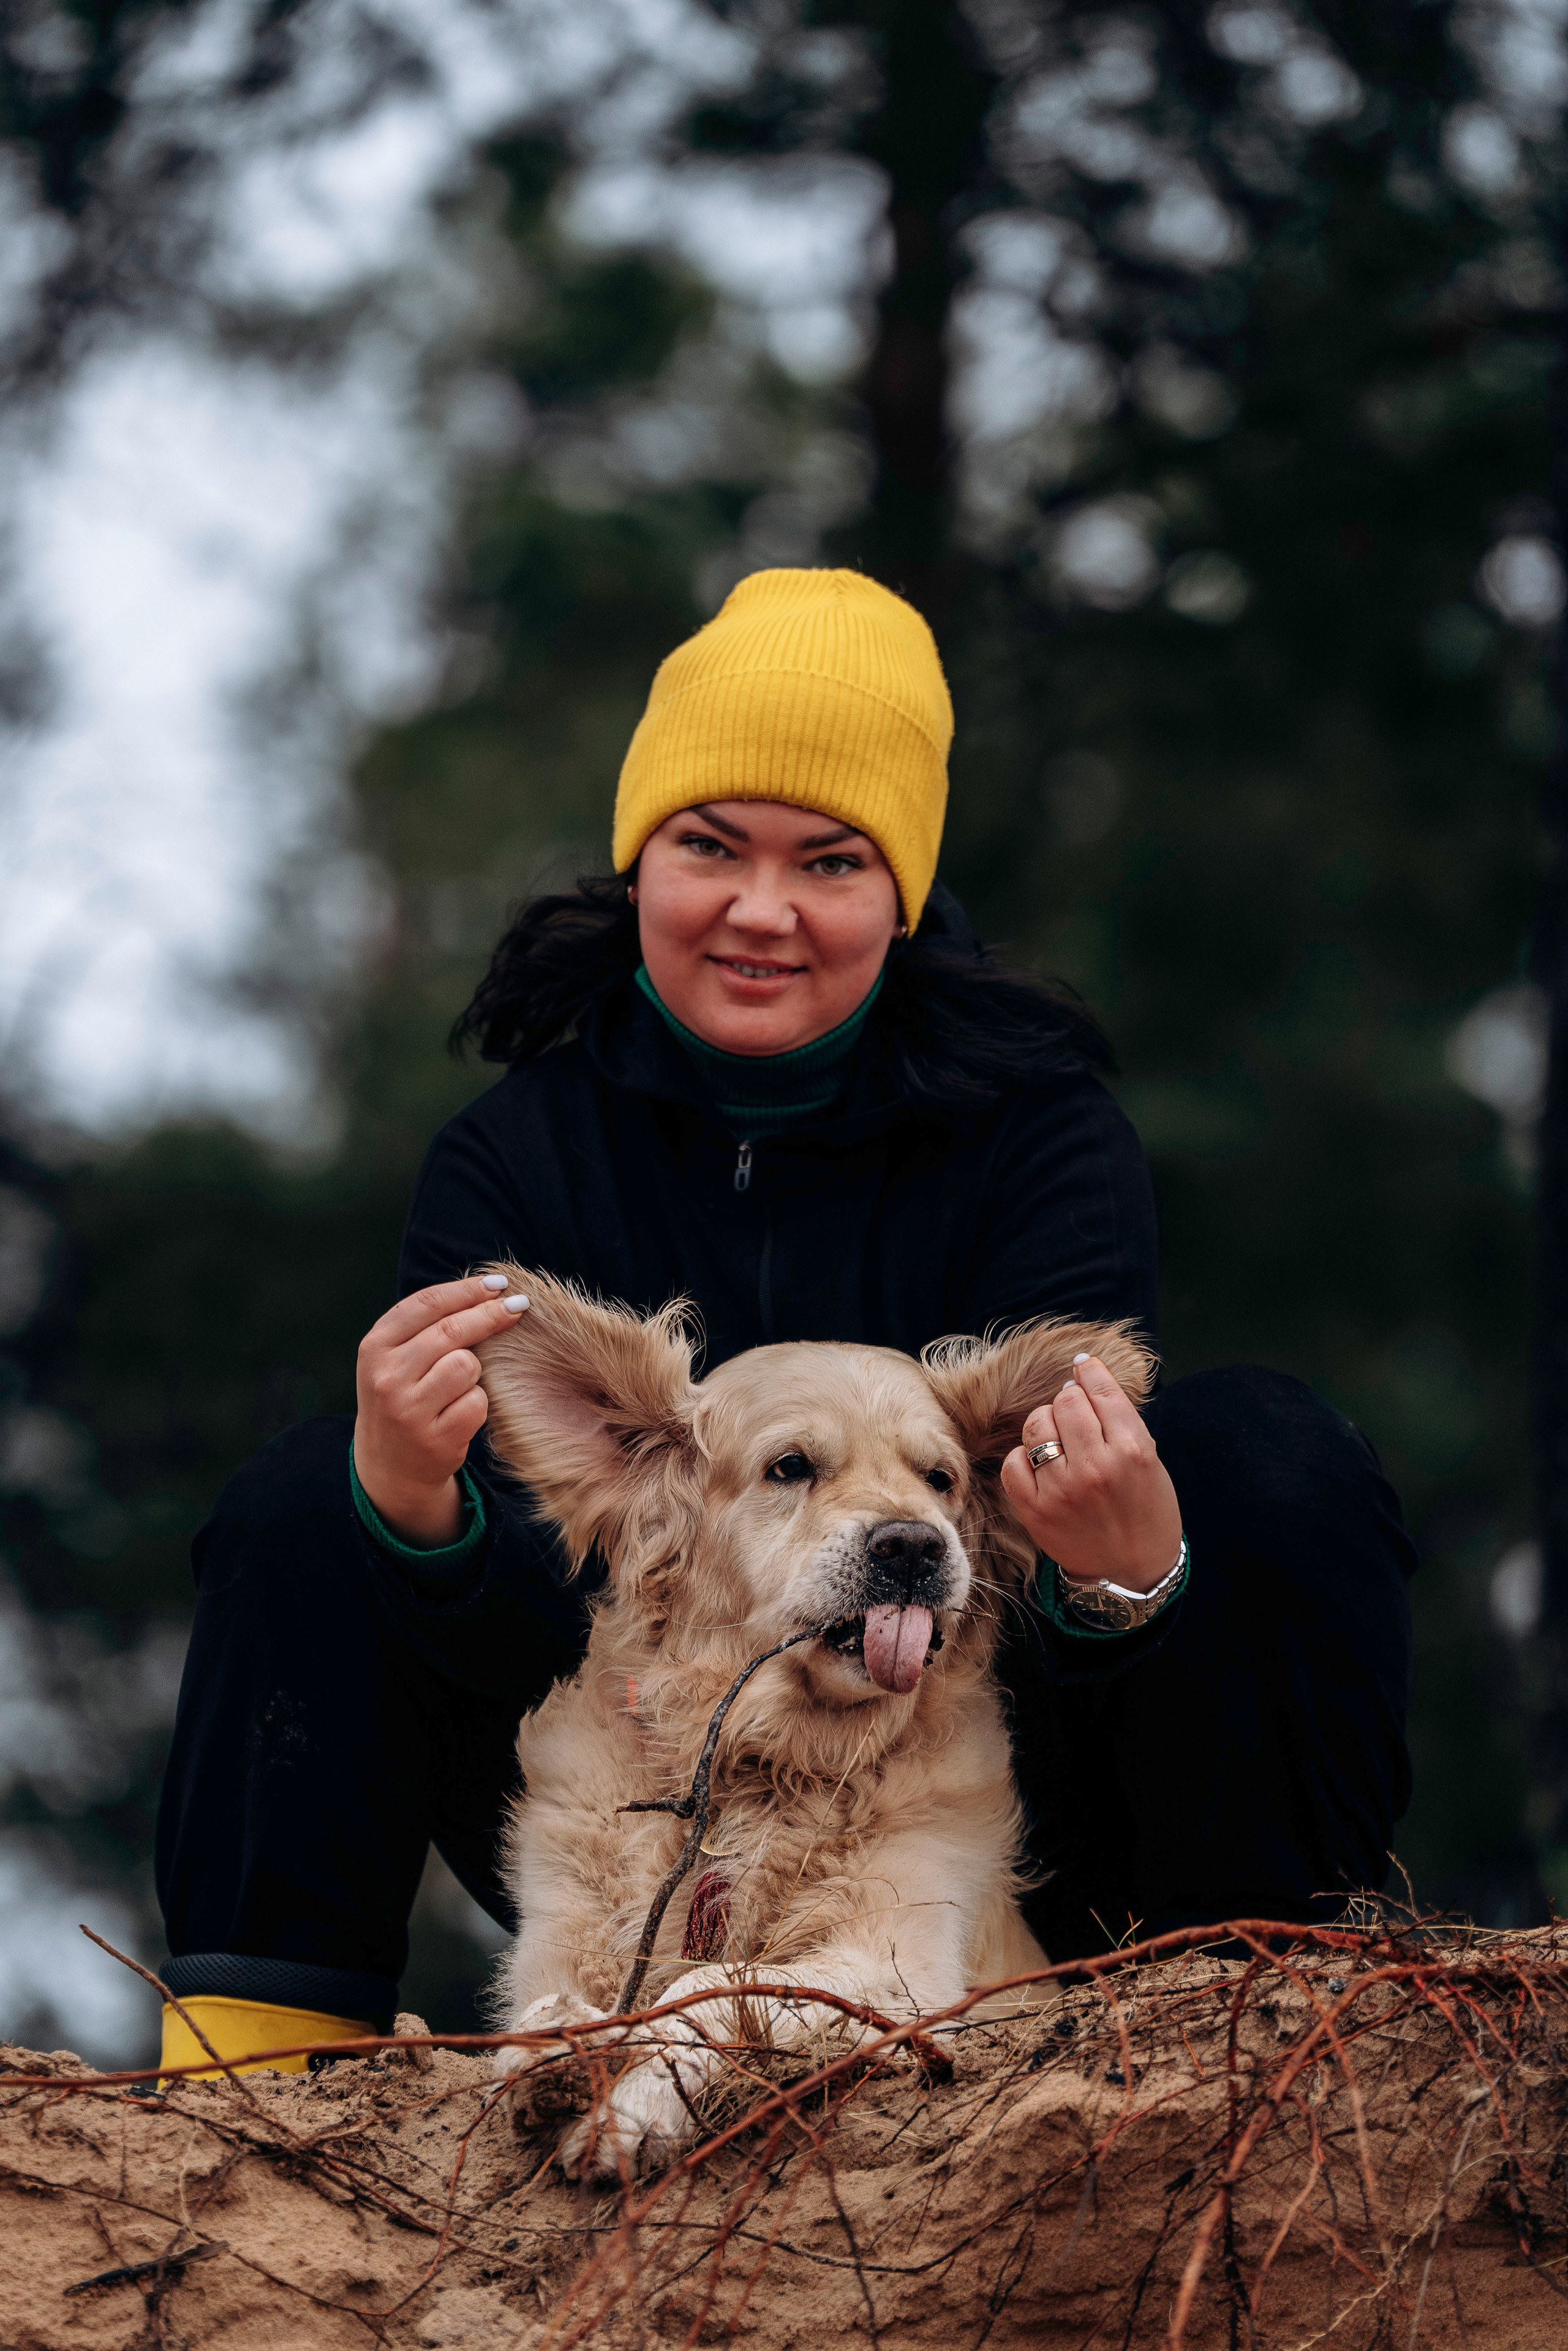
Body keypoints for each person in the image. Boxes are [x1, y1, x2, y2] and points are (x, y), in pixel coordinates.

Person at [154, 568, 1415, 2077]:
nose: (762, 911)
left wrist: (1121, 1582)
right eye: (708, 846)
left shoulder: (1040, 1137)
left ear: (900, 891)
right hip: (641, 1794)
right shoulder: (516, 1154)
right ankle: (251, 2070)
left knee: (1263, 1452)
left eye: (828, 860)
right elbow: (520, 1615)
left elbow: (1048, 1544)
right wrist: (418, 1514)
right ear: (641, 862)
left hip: (967, 1811)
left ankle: (1266, 2017)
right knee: (311, 1496)